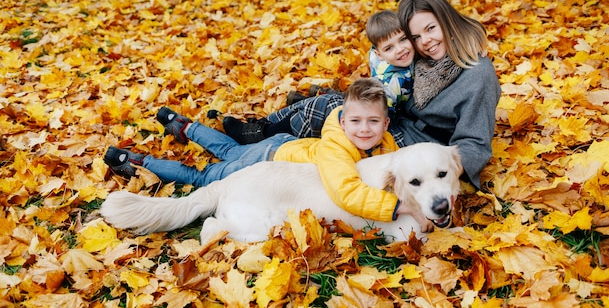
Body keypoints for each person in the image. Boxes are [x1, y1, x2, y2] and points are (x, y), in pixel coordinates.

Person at [221, 0, 502, 189]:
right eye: (416, 36)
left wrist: (439, 178)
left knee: (338, 110)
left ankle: (263, 137)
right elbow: (388, 53)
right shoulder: (430, 57)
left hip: (422, 145)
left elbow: (475, 145)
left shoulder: (477, 75)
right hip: (400, 120)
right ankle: (261, 128)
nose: (424, 41)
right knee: (337, 101)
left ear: (447, 21)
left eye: (431, 29)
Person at [104, 78, 422, 225]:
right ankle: (139, 161)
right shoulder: (337, 147)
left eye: (373, 122)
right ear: (342, 119)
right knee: (203, 177)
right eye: (356, 121)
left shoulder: (385, 144)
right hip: (271, 164)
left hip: (280, 147)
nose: (364, 129)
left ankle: (186, 127)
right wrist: (396, 207)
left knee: (230, 150)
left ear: (386, 123)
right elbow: (344, 190)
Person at [222, 9, 416, 145]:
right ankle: (264, 124)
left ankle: (264, 133)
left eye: (403, 40)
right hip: (374, 100)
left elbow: (379, 110)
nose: (400, 50)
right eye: (389, 47)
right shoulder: (383, 57)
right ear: (379, 53)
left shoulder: (396, 83)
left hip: (384, 120)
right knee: (326, 101)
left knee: (325, 106)